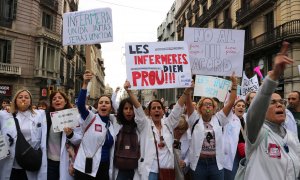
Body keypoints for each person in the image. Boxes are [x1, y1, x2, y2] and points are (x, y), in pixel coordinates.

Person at [243, 45, 300, 179]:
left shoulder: (291, 136)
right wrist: (273, 77)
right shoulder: (257, 133)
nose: (279, 105)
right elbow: (254, 114)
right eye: (273, 102)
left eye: (281, 102)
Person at [124, 80, 188, 180]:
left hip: (166, 169)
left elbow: (177, 110)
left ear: (163, 111)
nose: (157, 110)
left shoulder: (168, 124)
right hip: (151, 171)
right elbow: (138, 109)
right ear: (149, 112)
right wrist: (129, 92)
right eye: (153, 108)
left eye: (159, 108)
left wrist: (186, 92)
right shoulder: (145, 125)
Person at [185, 72, 237, 180]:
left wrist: (234, 85)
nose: (208, 106)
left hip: (216, 164)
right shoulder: (194, 119)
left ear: (214, 108)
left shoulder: (219, 118)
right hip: (199, 164)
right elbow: (188, 102)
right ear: (200, 108)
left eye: (210, 104)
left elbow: (231, 102)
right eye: (205, 104)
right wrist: (189, 89)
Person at [74, 70, 116, 180]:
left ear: (111, 108)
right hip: (85, 168)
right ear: (97, 107)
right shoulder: (91, 118)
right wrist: (85, 83)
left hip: (104, 168)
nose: (103, 104)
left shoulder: (111, 124)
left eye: (107, 103)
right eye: (101, 102)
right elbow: (81, 106)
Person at [0, 89, 47, 180]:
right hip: (11, 162)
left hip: (29, 160)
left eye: (26, 97)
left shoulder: (39, 115)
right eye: (20, 97)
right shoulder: (5, 115)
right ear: (15, 100)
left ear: (30, 101)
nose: (23, 99)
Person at [46, 90, 82, 180]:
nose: (57, 100)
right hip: (50, 162)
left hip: (66, 161)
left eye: (60, 98)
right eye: (54, 99)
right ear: (51, 103)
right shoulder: (46, 117)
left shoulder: (74, 117)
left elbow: (79, 140)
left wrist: (70, 134)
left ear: (65, 101)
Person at [113, 96, 140, 180]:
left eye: (131, 108)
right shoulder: (115, 122)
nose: (128, 111)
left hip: (136, 168)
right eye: (126, 108)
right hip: (120, 169)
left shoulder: (140, 125)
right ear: (121, 110)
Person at [223, 99, 246, 180]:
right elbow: (227, 104)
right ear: (233, 108)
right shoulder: (229, 118)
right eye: (238, 105)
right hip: (233, 152)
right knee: (232, 175)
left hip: (244, 151)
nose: (241, 108)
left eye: (243, 106)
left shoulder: (245, 119)